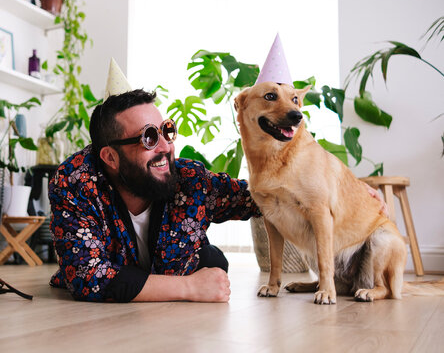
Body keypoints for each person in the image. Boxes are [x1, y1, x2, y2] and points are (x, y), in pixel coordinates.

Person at [48, 88, 386, 303]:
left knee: (212, 260)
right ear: (109, 157)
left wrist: (350, 192)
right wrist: (189, 288)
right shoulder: (75, 183)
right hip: (136, 295)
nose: (166, 146)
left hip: (180, 278)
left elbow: (259, 196)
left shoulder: (191, 180)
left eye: (167, 130)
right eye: (149, 138)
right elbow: (89, 279)